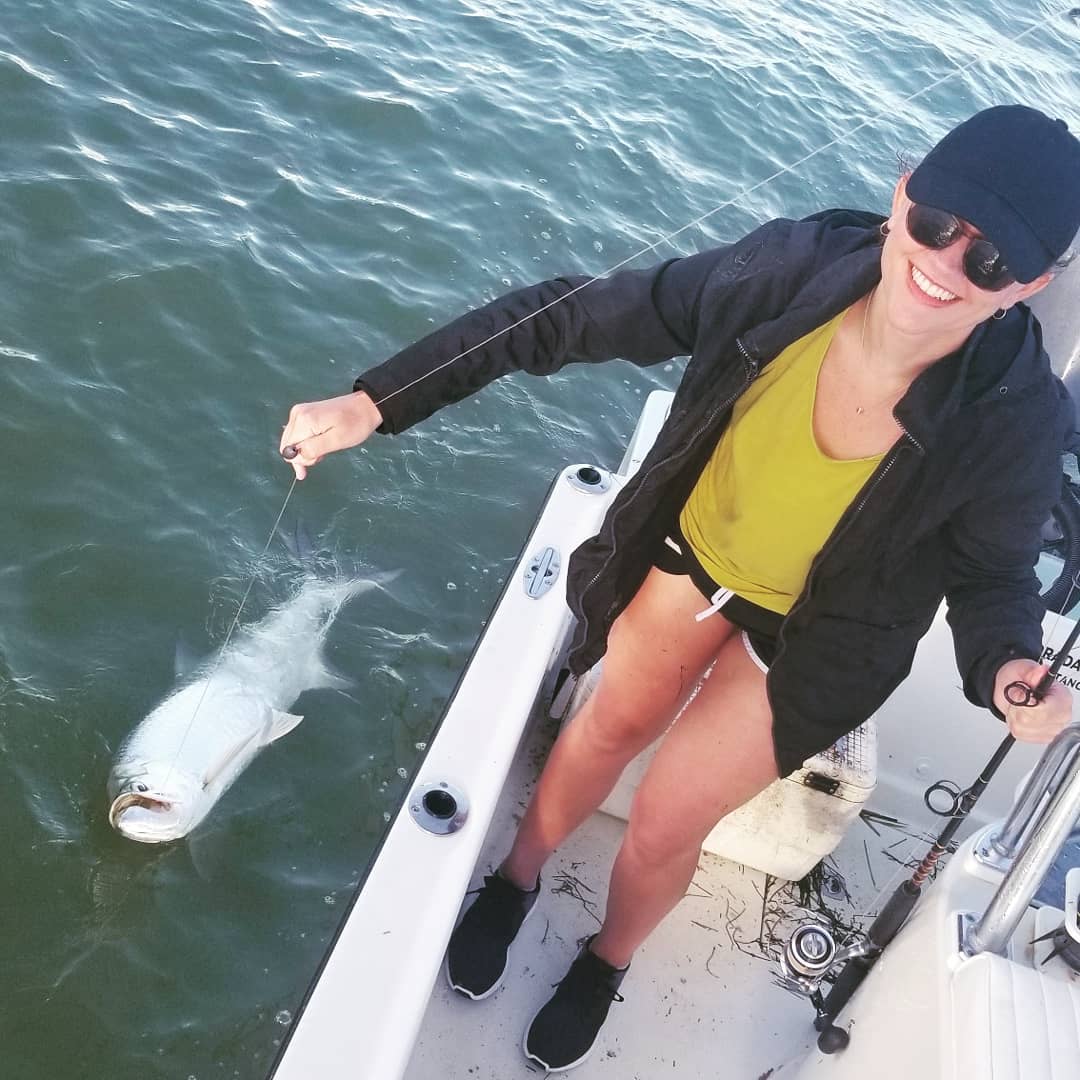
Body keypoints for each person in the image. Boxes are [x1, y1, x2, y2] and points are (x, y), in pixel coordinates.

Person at [280, 105, 1080, 1072]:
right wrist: (379, 398)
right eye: (937, 221)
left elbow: (993, 573)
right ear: (903, 190)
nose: (946, 262)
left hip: (823, 637)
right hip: (689, 555)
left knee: (667, 820)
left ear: (1031, 284)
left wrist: (1006, 667)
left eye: (990, 260)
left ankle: (606, 960)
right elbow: (577, 315)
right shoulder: (788, 269)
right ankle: (515, 877)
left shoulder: (1017, 417)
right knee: (606, 724)